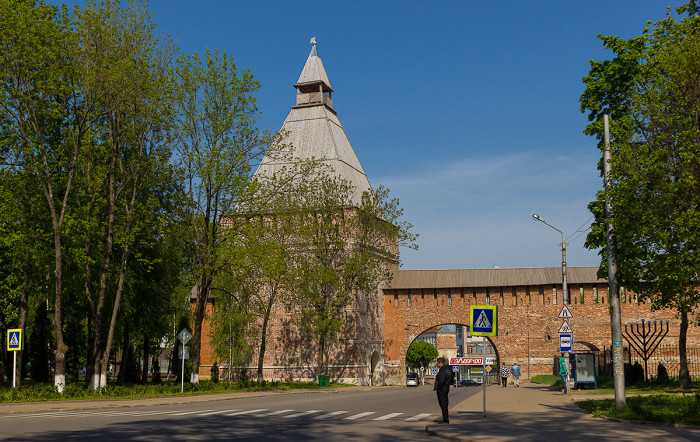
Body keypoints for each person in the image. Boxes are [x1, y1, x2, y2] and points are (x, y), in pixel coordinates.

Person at [433, 357, 451, 423]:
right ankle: (445, 418)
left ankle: (445, 419)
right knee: (444, 404)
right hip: (445, 389)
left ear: (440, 363)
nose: (437, 364)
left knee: (443, 404)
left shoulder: (443, 370)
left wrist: (439, 388)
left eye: (437, 363)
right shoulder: (446, 369)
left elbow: (441, 380)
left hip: (442, 390)